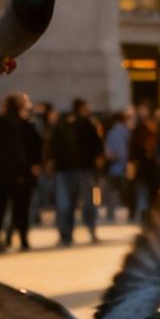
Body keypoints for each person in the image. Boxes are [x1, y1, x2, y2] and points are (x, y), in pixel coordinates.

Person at [0, 94, 43, 252]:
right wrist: (34, 166)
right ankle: (23, 240)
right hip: (22, 173)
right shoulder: (27, 125)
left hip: (0, 173)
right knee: (21, 207)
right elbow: (37, 150)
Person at [47, 97, 104, 245]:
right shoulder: (81, 124)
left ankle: (71, 233)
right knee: (71, 204)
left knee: (74, 204)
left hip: (77, 169)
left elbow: (97, 148)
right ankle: (70, 234)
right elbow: (98, 147)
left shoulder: (85, 124)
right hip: (74, 169)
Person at [128, 104, 159, 220]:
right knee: (141, 189)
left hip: (151, 166)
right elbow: (133, 148)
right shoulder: (138, 130)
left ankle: (149, 211)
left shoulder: (155, 128)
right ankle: (144, 212)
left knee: (150, 190)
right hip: (141, 165)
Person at [103, 108, 132, 221]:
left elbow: (108, 150)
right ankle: (129, 212)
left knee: (113, 190)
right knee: (125, 190)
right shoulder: (124, 131)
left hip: (113, 166)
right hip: (123, 165)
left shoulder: (111, 132)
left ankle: (111, 212)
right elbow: (123, 150)